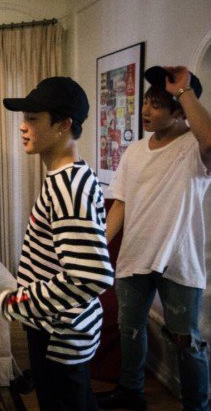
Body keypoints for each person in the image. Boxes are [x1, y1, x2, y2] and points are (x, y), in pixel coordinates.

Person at [97, 66, 210, 411]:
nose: (146, 110)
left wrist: (184, 91)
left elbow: (209, 140)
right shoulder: (134, 151)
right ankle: (131, 392)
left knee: (185, 341)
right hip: (135, 256)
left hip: (179, 260)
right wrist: (98, 246)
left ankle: (197, 405)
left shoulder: (194, 148)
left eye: (157, 105)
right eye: (146, 102)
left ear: (179, 111)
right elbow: (120, 204)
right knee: (130, 330)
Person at [0, 77, 114, 410]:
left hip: (60, 333)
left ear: (64, 124)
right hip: (60, 326)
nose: (23, 127)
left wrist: (17, 301)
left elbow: (90, 276)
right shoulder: (70, 176)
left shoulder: (68, 186)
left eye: (33, 119)